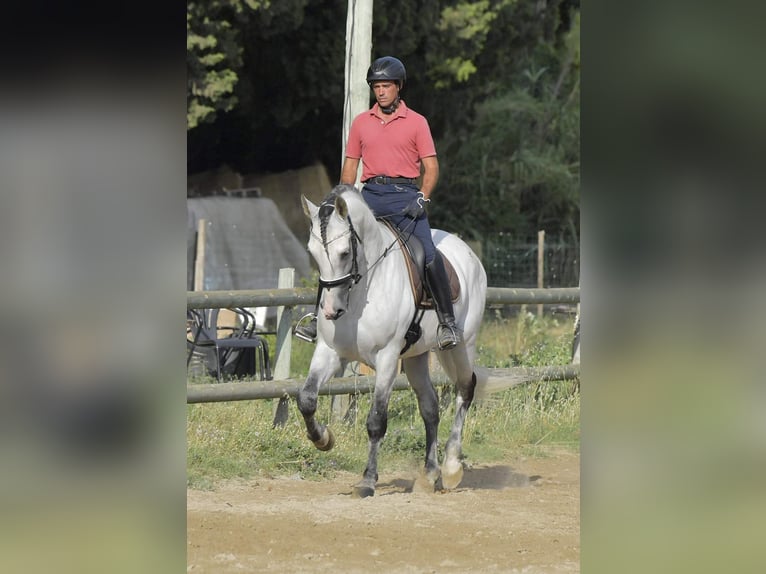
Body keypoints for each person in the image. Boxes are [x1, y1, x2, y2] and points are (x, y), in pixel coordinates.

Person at [294, 56, 459, 350]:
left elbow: (431, 168)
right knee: (336, 249)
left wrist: (423, 197)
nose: (380, 92)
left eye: (385, 86)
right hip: (368, 196)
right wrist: (344, 198)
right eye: (376, 87)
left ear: (398, 87)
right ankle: (317, 319)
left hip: (406, 197)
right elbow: (350, 167)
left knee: (429, 255)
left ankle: (447, 323)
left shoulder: (417, 122)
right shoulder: (361, 123)